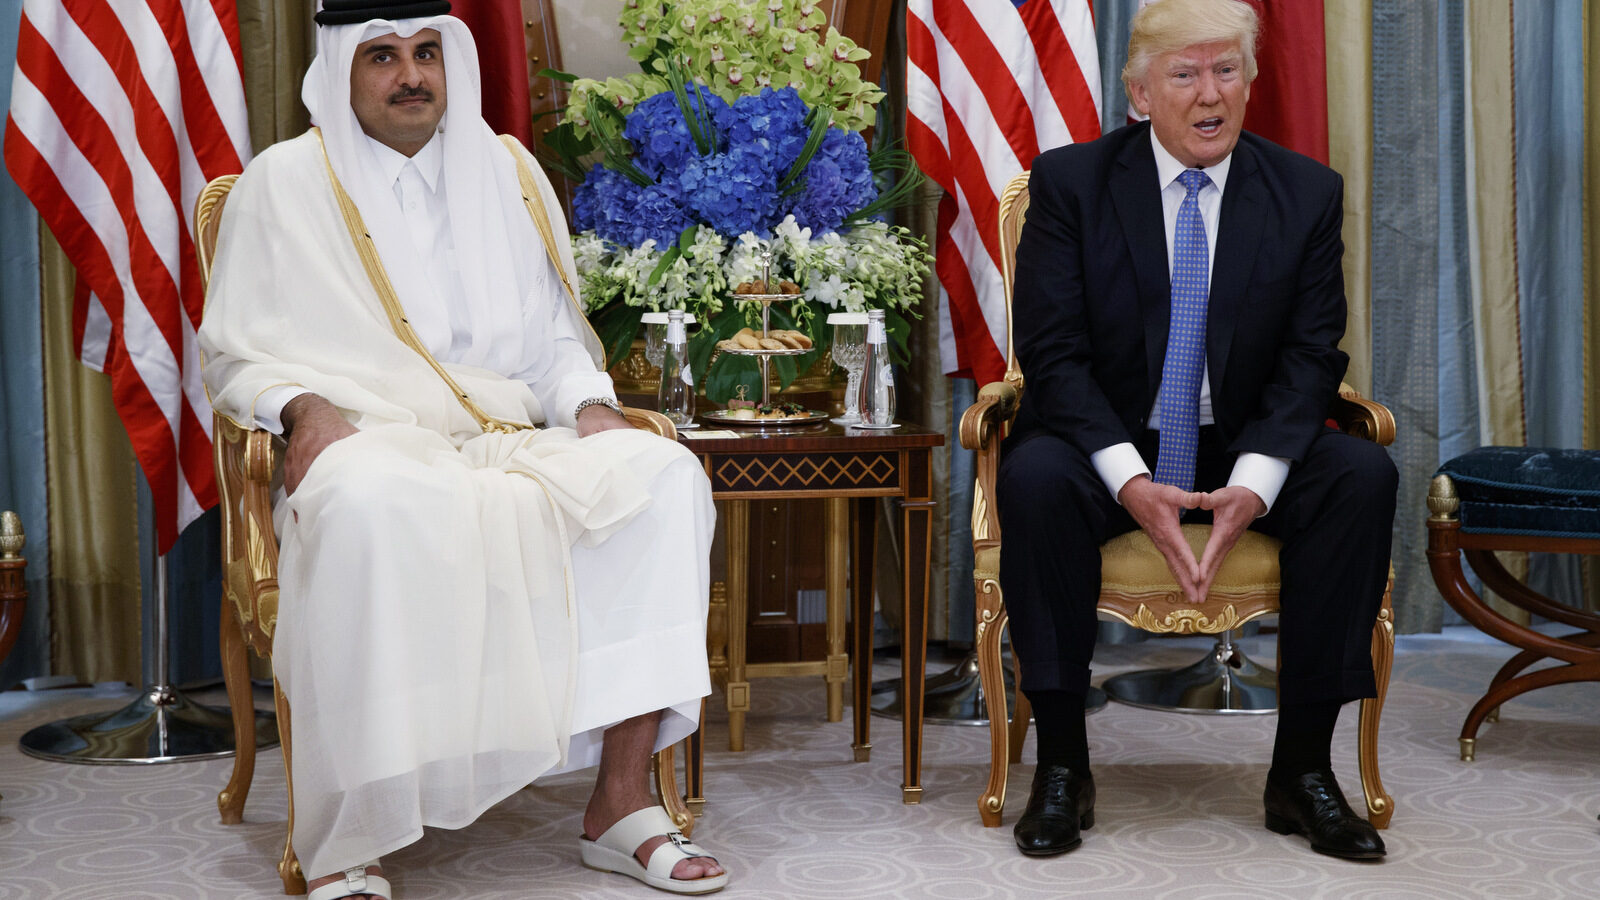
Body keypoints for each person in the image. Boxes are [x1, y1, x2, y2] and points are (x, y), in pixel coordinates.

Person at [199, 2, 728, 896]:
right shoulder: (282, 183)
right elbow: (233, 353)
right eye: (384, 57)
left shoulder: (508, 172)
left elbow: (554, 344)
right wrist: (302, 408)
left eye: (427, 52)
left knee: (662, 476)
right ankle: (352, 836)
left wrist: (592, 406)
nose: (412, 74)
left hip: (511, 437)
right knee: (367, 505)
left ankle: (622, 804)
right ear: (340, 69)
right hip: (374, 441)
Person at [997, 0, 1396, 862]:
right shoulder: (1071, 185)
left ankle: (1304, 774)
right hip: (1106, 436)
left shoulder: (1304, 193)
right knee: (1033, 477)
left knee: (1361, 478)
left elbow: (1310, 355)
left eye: (1226, 70)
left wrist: (1254, 483)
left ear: (1250, 83)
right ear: (1141, 95)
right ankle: (1063, 764)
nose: (1209, 93)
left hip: (1239, 439)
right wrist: (1130, 481)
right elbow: (1053, 355)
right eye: (1184, 74)